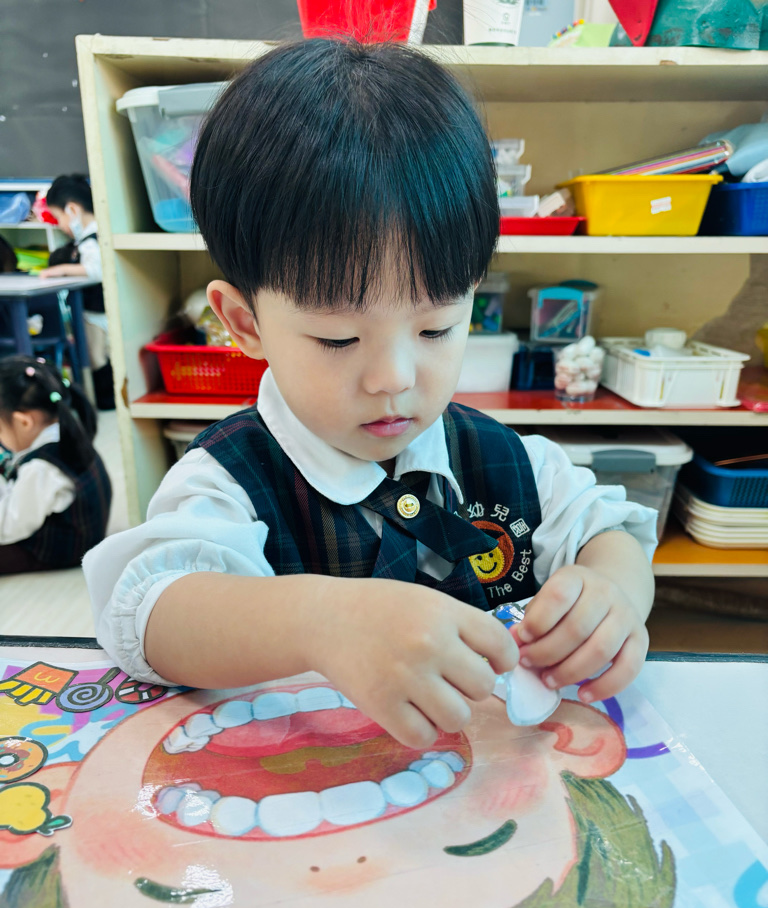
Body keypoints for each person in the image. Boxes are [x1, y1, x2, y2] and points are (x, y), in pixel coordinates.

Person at [84, 39, 657, 750]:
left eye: (436, 327)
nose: (395, 377)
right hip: (308, 796)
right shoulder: (229, 482)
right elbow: (150, 613)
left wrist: (612, 595)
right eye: (338, 339)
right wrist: (322, 621)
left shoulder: (507, 462)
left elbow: (608, 534)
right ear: (244, 323)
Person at [0, 677, 675, 908]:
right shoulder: (512, 473)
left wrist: (310, 617)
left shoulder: (218, 483)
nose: (335, 868)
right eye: (474, 846)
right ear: (569, 741)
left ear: (33, 818)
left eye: (186, 898)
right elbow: (590, 520)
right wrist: (609, 575)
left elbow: (143, 595)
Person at [0, 355, 111, 574]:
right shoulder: (66, 431)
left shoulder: (41, 468)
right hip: (79, 534)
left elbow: (7, 528)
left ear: (24, 422)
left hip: (58, 550)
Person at [37, 174, 115, 410]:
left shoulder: (92, 239)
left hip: (95, 312)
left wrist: (61, 270)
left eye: (58, 217)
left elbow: (95, 270)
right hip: (98, 311)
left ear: (72, 209)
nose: (60, 225)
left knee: (96, 357)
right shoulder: (93, 236)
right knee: (100, 355)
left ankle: (106, 401)